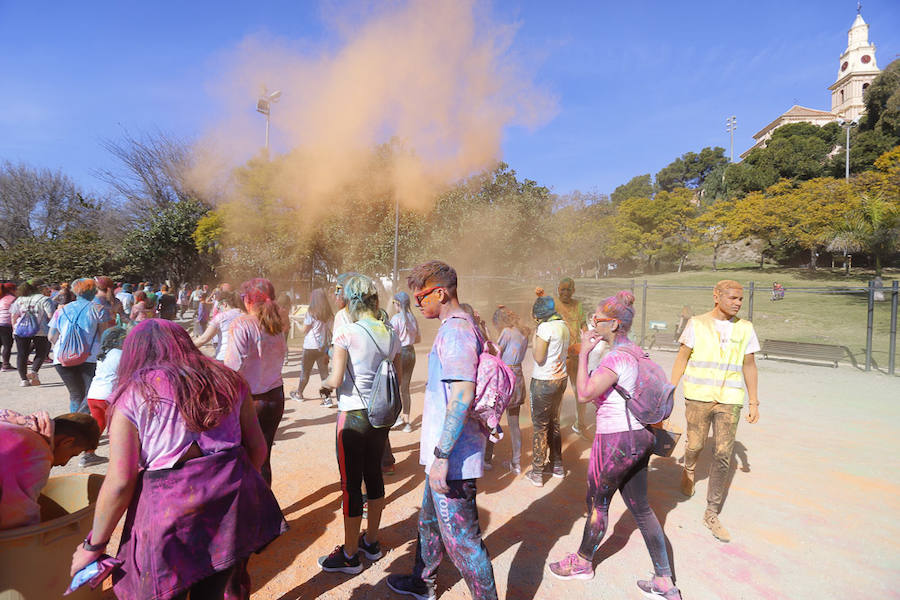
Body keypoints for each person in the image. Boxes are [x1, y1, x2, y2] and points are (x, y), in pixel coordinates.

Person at [69, 319, 287, 599]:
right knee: (218, 587)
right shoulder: (231, 380)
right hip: (230, 505)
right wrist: (237, 486)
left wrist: (93, 545)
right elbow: (257, 449)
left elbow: (121, 481)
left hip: (169, 514)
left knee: (163, 588)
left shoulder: (132, 395)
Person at [547, 291, 682, 600]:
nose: (592, 323)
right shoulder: (638, 352)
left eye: (597, 319)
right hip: (641, 437)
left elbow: (583, 393)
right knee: (642, 508)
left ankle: (582, 562)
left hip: (615, 439)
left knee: (598, 503)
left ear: (614, 324)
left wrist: (582, 354)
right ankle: (664, 580)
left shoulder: (616, 358)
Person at [386, 260, 498, 600]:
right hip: (445, 454)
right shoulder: (459, 327)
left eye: (420, 297)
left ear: (440, 292)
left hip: (452, 459)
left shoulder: (456, 333)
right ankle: (424, 581)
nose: (418, 305)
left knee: (465, 544)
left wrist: (441, 456)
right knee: (429, 523)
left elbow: (462, 396)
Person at [316, 275, 402, 574]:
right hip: (380, 416)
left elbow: (336, 379)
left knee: (351, 487)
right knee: (374, 476)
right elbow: (397, 379)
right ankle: (372, 542)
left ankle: (350, 555)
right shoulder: (391, 333)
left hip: (352, 416)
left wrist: (324, 386)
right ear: (375, 301)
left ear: (351, 301)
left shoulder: (347, 333)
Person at [670, 279, 761, 543]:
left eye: (740, 299)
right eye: (732, 298)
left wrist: (753, 401)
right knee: (696, 444)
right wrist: (670, 390)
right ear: (716, 296)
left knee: (723, 453)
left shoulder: (745, 328)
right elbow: (681, 358)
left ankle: (711, 512)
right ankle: (689, 468)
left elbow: (750, 365)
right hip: (698, 397)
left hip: (730, 399)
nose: (737, 303)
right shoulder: (697, 323)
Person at [224, 279, 288, 486]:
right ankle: (265, 511)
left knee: (245, 460)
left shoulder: (241, 324)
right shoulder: (276, 324)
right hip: (275, 397)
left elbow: (233, 367)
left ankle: (251, 514)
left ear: (248, 300)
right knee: (264, 456)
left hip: (251, 401)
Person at [0, 409, 100, 530]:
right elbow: (18, 514)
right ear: (67, 442)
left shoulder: (12, 421)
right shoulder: (37, 452)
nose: (64, 464)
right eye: (72, 455)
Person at [525, 292, 569, 487]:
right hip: (560, 379)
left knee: (540, 426)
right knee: (554, 422)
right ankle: (557, 465)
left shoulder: (545, 328)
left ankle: (537, 472)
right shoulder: (563, 325)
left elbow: (538, 357)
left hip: (544, 381)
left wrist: (535, 335)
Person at [48, 278, 109, 414]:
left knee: (75, 395)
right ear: (94, 291)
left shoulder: (61, 310)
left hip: (62, 357)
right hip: (90, 357)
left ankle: (73, 426)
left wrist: (66, 347)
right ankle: (81, 426)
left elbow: (51, 336)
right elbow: (104, 335)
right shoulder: (99, 309)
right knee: (90, 393)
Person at [484, 306, 528, 473]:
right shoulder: (523, 333)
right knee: (514, 423)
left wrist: (487, 336)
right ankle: (516, 463)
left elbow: (495, 353)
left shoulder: (506, 332)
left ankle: (487, 459)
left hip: (505, 378)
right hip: (518, 376)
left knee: (492, 419)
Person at [81, 327, 127, 467]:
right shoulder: (120, 354)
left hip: (94, 394)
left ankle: (88, 455)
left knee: (98, 425)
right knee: (115, 427)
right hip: (109, 396)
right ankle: (119, 457)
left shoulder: (103, 354)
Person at [555, 278, 589, 437]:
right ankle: (554, 425)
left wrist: (587, 340)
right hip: (560, 356)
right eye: (562, 289)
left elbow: (583, 325)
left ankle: (579, 424)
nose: (565, 293)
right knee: (557, 392)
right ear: (558, 290)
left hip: (576, 355)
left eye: (569, 290)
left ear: (573, 291)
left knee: (580, 391)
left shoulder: (578, 305)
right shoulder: (553, 305)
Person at [291, 288, 334, 405]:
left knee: (305, 372)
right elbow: (331, 330)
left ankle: (299, 394)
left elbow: (304, 330)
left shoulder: (311, 312)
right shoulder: (329, 314)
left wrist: (296, 323)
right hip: (323, 347)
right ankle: (327, 398)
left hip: (310, 347)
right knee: (324, 374)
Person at [10, 279, 54, 387]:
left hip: (21, 329)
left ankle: (24, 380)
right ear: (40, 288)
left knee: (22, 354)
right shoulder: (45, 300)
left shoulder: (20, 299)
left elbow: (14, 316)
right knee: (41, 353)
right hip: (41, 330)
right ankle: (34, 372)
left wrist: (14, 329)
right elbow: (51, 316)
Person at [390, 291, 420, 432]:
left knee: (394, 385)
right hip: (411, 352)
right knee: (405, 388)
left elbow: (390, 338)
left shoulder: (396, 319)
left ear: (398, 304)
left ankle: (396, 418)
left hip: (400, 353)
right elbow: (418, 339)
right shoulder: (413, 318)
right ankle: (407, 422)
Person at [193, 290, 244, 362]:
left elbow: (203, 339)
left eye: (219, 307)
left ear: (225, 304)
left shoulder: (221, 317)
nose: (219, 309)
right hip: (244, 358)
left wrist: (185, 347)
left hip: (225, 357)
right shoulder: (247, 315)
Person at [0, 282, 18, 372]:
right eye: (15, 289)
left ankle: (2, 364)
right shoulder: (12, 299)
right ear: (11, 290)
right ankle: (6, 364)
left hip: (0, 322)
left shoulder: (1, 298)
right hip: (6, 323)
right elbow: (16, 312)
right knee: (7, 345)